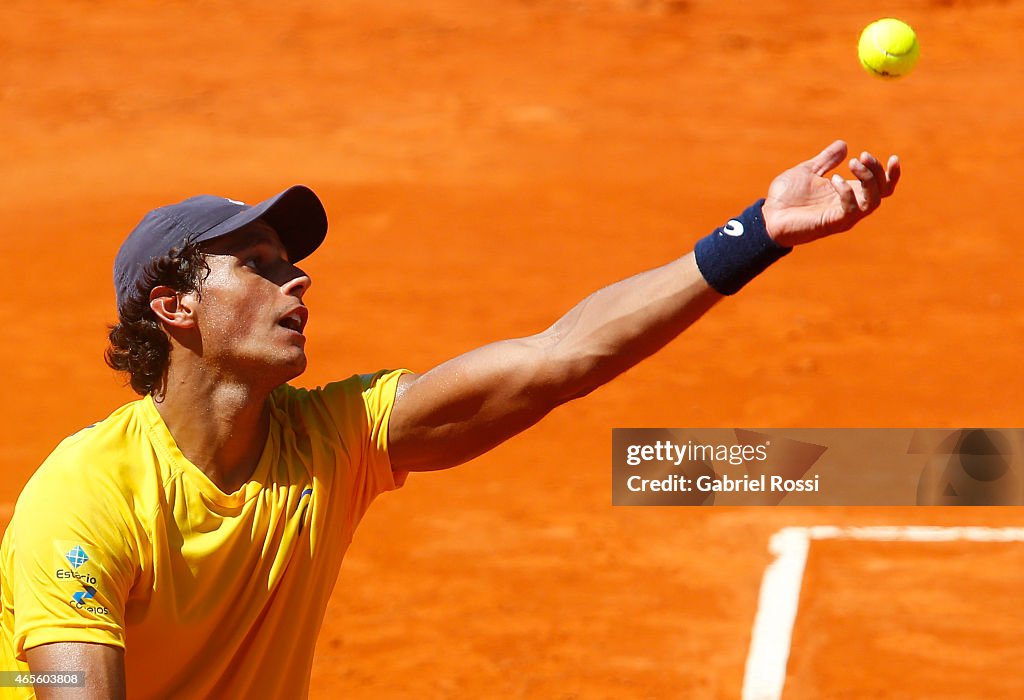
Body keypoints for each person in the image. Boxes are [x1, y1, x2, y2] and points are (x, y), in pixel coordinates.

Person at [0, 140, 899, 699]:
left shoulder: (331, 442)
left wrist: (757, 234)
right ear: (173, 308)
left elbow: (559, 360)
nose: (298, 280)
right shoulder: (84, 501)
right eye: (262, 265)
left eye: (293, 264)